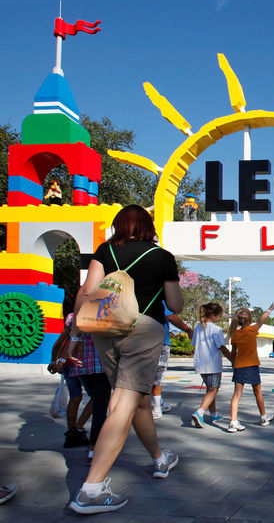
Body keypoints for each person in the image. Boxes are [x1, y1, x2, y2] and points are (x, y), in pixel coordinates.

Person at [68, 205, 183, 514]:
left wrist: (75, 337)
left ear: (119, 225)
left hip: (105, 329)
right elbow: (175, 303)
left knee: (138, 401)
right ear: (149, 226)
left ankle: (160, 458)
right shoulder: (162, 257)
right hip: (144, 329)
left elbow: (87, 292)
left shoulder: (105, 251)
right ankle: (91, 489)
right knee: (123, 401)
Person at [59, 309, 112, 466]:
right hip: (102, 365)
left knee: (95, 402)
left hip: (82, 367)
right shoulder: (106, 312)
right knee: (100, 409)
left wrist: (59, 359)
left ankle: (75, 432)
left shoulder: (73, 316)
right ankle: (94, 449)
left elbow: (64, 340)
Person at [227, 304, 274, 432]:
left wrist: (234, 366)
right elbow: (262, 319)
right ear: (249, 319)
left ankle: (233, 422)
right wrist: (269, 309)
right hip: (252, 366)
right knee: (257, 392)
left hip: (239, 366)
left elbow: (233, 354)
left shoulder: (235, 334)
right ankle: (263, 417)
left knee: (236, 395)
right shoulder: (253, 330)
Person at [48, 307, 92, 449]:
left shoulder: (71, 318)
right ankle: (77, 429)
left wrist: (54, 361)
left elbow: (58, 343)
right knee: (97, 396)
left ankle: (71, 432)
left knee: (75, 397)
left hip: (66, 365)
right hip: (78, 363)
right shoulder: (89, 315)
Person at [190, 302, 233, 428]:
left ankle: (213, 414)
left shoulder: (198, 328)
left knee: (210, 389)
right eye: (219, 316)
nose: (220, 319)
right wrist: (233, 360)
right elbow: (221, 347)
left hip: (200, 364)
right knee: (214, 389)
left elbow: (194, 344)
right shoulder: (216, 329)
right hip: (213, 364)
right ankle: (200, 412)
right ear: (213, 316)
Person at [152, 306, 193, 419]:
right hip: (159, 341)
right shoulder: (159, 297)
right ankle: (156, 407)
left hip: (142, 339)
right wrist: (187, 329)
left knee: (149, 375)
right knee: (157, 375)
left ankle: (159, 403)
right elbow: (170, 316)